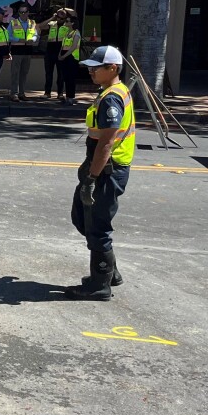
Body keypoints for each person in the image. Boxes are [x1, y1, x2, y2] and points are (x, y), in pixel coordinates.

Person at [66, 46, 135, 300]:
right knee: (83, 219)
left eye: (97, 67)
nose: (91, 71)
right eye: (90, 66)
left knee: (97, 226)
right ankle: (109, 272)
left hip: (107, 170)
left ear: (113, 69)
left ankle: (99, 284)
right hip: (102, 167)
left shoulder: (112, 98)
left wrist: (91, 180)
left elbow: (106, 142)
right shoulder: (110, 92)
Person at [38, 6, 69, 100]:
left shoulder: (67, 26)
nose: (59, 19)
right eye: (58, 17)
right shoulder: (52, 23)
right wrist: (52, 18)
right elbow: (40, 26)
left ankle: (60, 93)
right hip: (50, 51)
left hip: (61, 50)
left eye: (62, 18)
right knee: (48, 73)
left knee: (61, 74)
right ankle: (47, 93)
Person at [8, 5, 37, 101]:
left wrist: (33, 39)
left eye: (25, 12)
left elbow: (36, 35)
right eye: (21, 12)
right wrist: (18, 39)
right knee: (15, 73)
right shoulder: (13, 22)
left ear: (28, 12)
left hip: (28, 50)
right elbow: (8, 36)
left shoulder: (32, 23)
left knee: (24, 73)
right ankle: (14, 93)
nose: (23, 14)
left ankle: (22, 93)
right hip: (17, 51)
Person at [57, 10, 82, 105]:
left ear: (72, 23)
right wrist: (60, 54)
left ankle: (71, 98)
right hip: (64, 56)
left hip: (72, 58)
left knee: (71, 78)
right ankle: (67, 97)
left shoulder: (76, 33)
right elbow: (63, 45)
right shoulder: (67, 32)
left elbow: (73, 47)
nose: (65, 22)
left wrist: (63, 56)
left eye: (67, 21)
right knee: (65, 77)